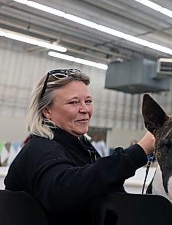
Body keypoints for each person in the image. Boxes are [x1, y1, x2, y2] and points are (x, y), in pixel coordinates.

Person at [5, 68, 155, 225]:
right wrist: (139, 150)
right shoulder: (40, 149)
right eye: (73, 102)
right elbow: (64, 191)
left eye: (88, 101)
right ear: (47, 111)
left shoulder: (81, 147)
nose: (85, 110)